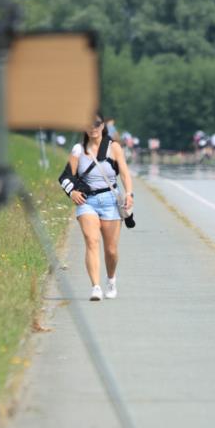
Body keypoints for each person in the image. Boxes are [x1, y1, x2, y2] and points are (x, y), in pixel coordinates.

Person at [63, 113, 134, 301]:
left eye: (97, 123)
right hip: (87, 202)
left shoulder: (114, 147)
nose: (93, 127)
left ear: (103, 126)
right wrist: (72, 192)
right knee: (92, 241)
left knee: (111, 250)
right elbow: (66, 176)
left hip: (110, 200)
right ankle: (95, 287)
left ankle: (111, 280)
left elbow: (124, 173)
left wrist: (129, 194)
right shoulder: (78, 150)